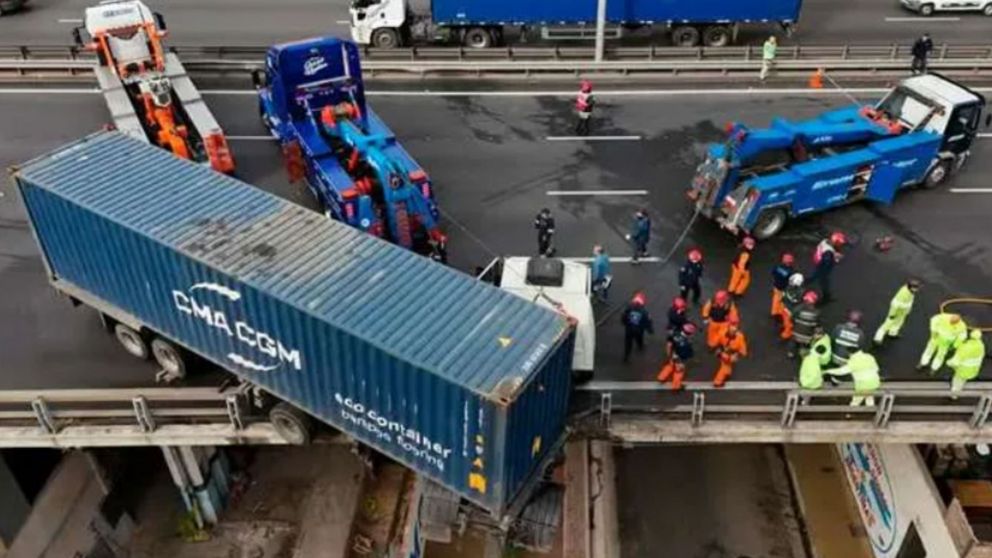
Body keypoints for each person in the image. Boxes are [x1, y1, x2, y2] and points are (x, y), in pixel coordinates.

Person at [873, 279, 922, 346]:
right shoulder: (903, 294)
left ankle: (892, 333)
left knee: (899, 323)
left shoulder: (911, 292)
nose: (918, 289)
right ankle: (877, 339)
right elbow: (894, 304)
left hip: (902, 312)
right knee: (887, 324)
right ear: (912, 287)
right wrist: (892, 314)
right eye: (917, 287)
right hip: (896, 312)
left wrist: (907, 311)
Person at [809, 231, 846, 305]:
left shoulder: (825, 241)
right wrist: (837, 259)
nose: (841, 246)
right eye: (840, 244)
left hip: (817, 261)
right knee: (824, 283)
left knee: (813, 276)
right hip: (822, 268)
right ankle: (824, 299)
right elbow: (828, 263)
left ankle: (807, 281)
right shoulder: (828, 254)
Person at [657, 323, 697, 391]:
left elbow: (669, 344)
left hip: (672, 354)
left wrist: (669, 355)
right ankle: (676, 386)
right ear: (689, 333)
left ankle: (661, 378)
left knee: (670, 366)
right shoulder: (686, 343)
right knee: (679, 372)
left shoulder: (675, 334)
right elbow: (686, 354)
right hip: (680, 358)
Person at [947, 330, 986, 394]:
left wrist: (949, 362)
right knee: (964, 379)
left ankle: (954, 394)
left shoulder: (965, 347)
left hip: (963, 370)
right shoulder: (981, 345)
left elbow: (955, 361)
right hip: (974, 369)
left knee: (958, 381)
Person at [713, 318, 748, 387]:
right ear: (728, 329)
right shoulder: (721, 333)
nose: (732, 332)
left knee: (727, 365)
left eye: (734, 331)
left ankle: (727, 374)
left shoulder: (740, 337)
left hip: (732, 354)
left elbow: (742, 348)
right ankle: (717, 382)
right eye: (731, 330)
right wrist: (719, 351)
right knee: (725, 366)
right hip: (723, 353)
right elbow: (716, 343)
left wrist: (737, 355)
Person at [621, 292, 654, 362]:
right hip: (639, 329)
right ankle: (640, 346)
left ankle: (626, 356)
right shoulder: (644, 312)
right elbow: (647, 321)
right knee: (639, 337)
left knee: (628, 343)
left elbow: (624, 316)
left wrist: (624, 323)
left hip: (629, 329)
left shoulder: (628, 308)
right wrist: (650, 330)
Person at [789, 291, 821, 359]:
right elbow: (817, 325)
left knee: (793, 341)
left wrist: (796, 323)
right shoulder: (817, 312)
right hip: (808, 337)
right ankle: (804, 354)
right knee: (807, 344)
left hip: (796, 333)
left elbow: (791, 317)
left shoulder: (798, 309)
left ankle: (791, 353)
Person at [780, 272, 805, 342]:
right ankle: (787, 327)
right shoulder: (790, 287)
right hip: (786, 307)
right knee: (785, 320)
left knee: (788, 322)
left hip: (790, 310)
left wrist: (785, 296)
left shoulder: (800, 292)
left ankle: (787, 334)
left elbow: (795, 301)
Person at [770, 252, 795, 322]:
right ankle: (779, 313)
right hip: (784, 288)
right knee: (782, 301)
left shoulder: (778, 266)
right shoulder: (791, 270)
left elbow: (773, 272)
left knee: (776, 299)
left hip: (776, 285)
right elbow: (791, 279)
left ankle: (774, 312)